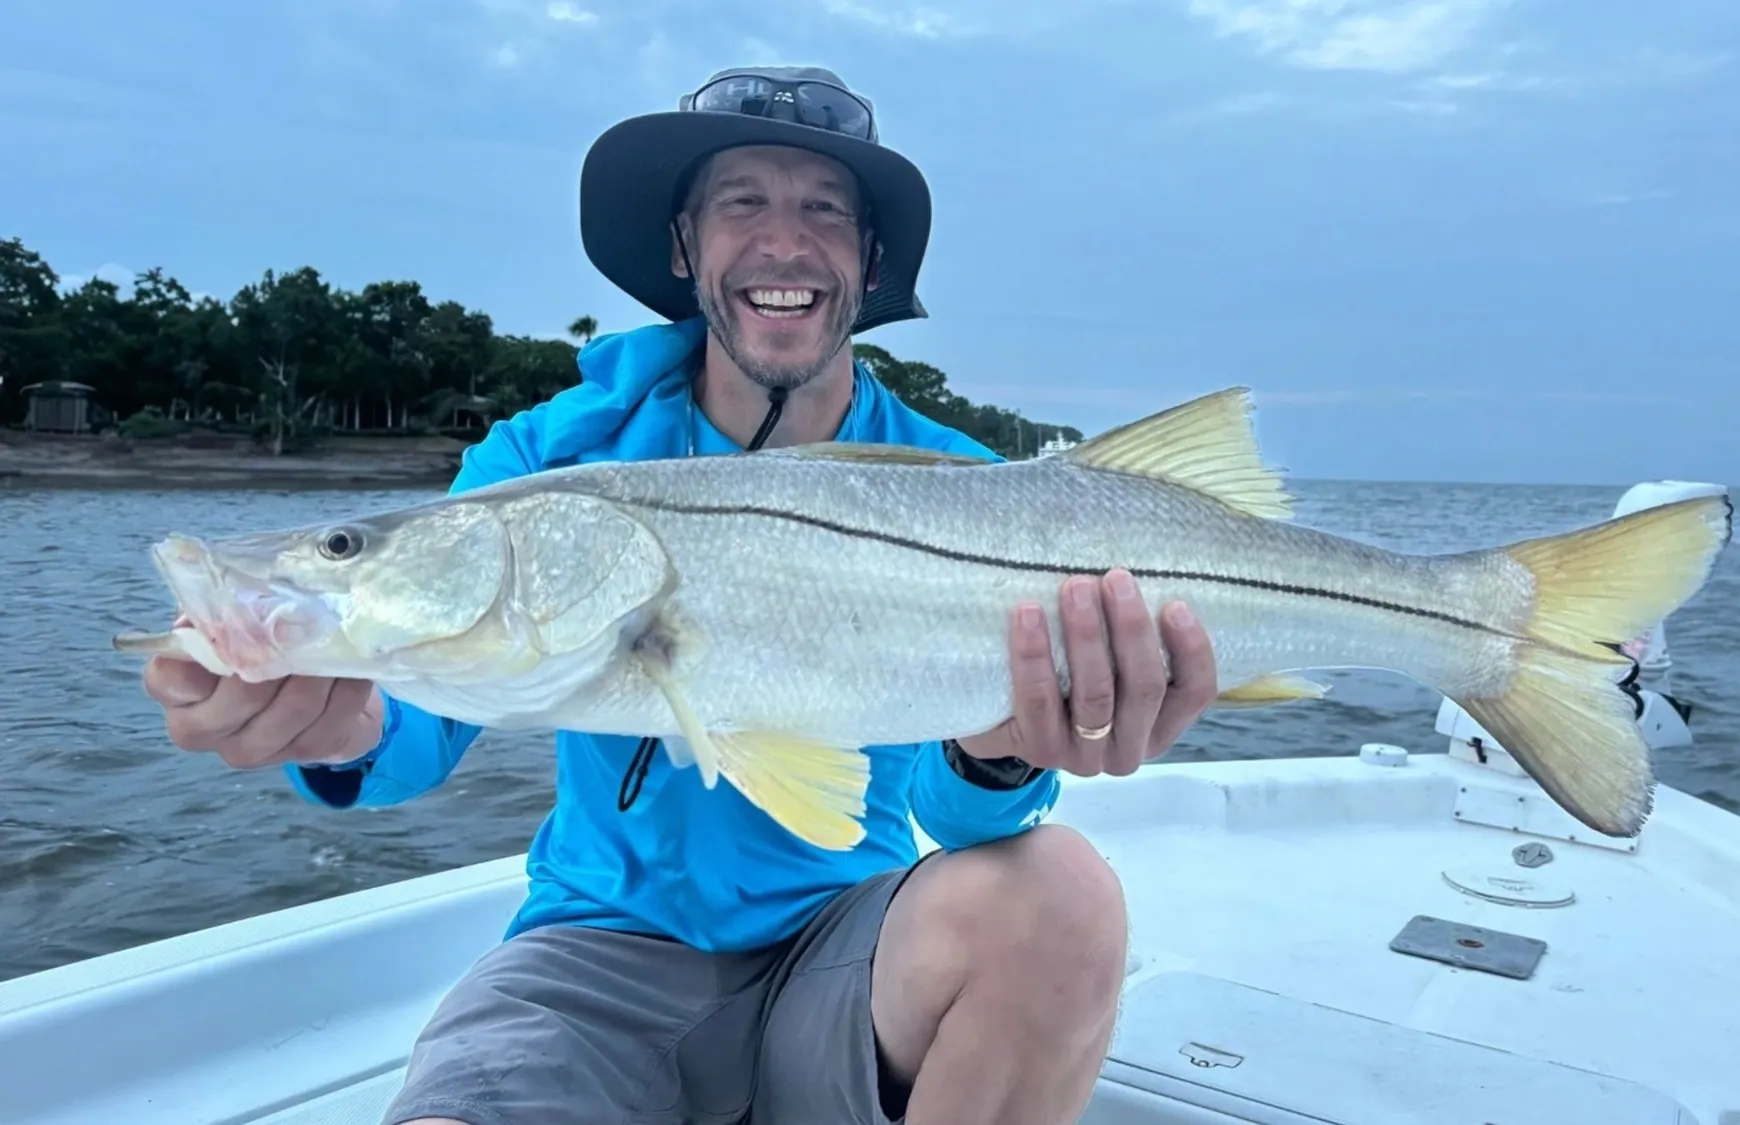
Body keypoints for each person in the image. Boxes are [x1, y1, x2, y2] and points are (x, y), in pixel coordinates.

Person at [139, 66, 1222, 1125]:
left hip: (850, 951)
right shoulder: (543, 462)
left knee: (1060, 894)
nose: (783, 243)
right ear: (681, 246)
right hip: (594, 955)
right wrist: (338, 718)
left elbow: (955, 816)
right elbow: (418, 723)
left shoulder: (969, 490)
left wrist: (1002, 753)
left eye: (825, 211)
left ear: (869, 258)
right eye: (740, 203)